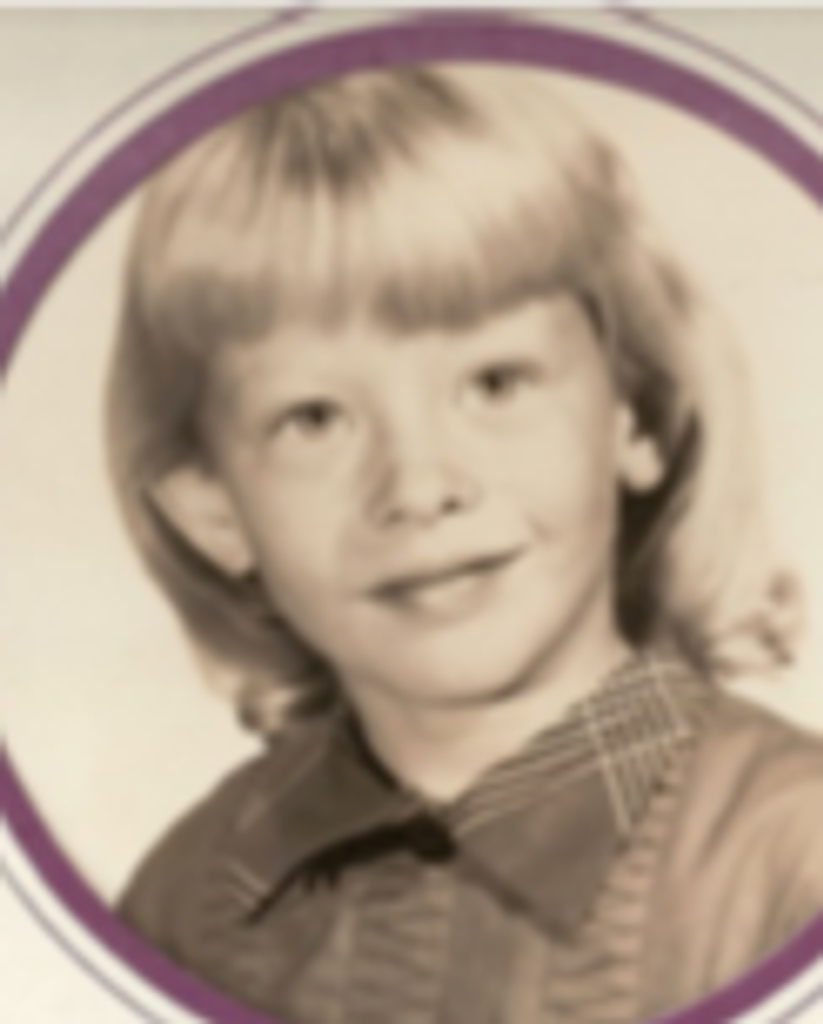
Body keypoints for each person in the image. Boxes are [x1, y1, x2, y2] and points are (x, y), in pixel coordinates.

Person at [108, 64, 823, 1024]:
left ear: (636, 416)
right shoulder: (182, 903)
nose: (418, 488)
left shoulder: (792, 861)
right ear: (213, 511)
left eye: (494, 384)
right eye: (314, 418)